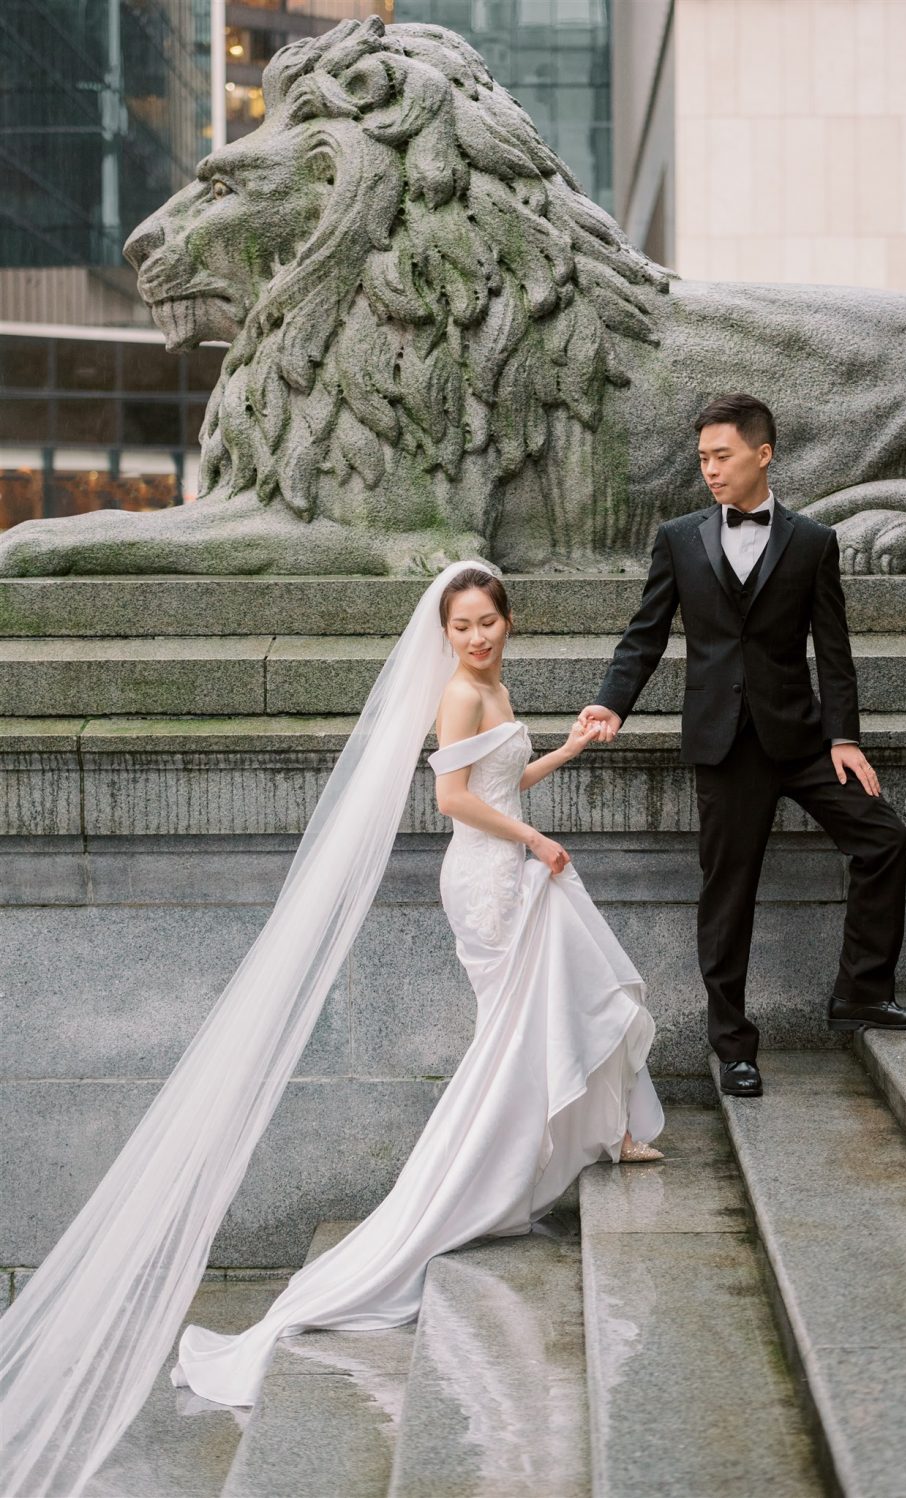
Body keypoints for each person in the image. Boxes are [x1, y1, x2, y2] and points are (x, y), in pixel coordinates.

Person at [0, 559, 663, 1495]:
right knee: (523, 1022)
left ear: (507, 620)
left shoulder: (492, 686)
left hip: (511, 864)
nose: (476, 637)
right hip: (485, 878)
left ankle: (597, 1129)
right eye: (463, 626)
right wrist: (534, 842)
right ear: (446, 632)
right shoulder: (457, 694)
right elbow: (453, 804)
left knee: (546, 1008)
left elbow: (502, 778)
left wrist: (567, 756)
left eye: (487, 622)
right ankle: (510, 1162)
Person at [579, 393, 906, 1099]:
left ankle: (861, 991)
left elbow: (834, 651)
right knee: (728, 895)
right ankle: (733, 1045)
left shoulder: (811, 542)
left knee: (884, 837)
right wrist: (611, 702)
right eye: (703, 458)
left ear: (762, 454)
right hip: (723, 744)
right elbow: (645, 634)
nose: (709, 470)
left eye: (722, 456)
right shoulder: (680, 538)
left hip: (800, 739)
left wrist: (844, 738)